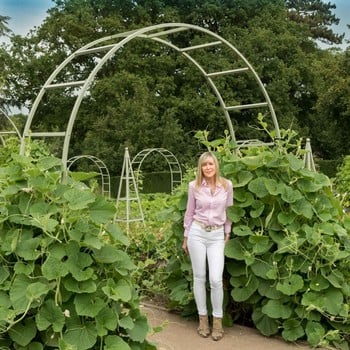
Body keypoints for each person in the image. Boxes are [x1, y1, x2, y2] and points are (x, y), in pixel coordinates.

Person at [182, 151, 233, 341]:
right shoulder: (193, 186)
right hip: (197, 232)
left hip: (217, 234)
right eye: (204, 165)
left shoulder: (227, 186)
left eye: (211, 164)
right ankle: (203, 320)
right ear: (200, 168)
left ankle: (217, 322)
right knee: (199, 277)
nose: (208, 168)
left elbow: (229, 211)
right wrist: (186, 237)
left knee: (215, 279)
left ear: (216, 166)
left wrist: (227, 232)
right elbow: (189, 213)